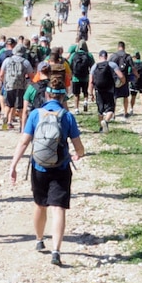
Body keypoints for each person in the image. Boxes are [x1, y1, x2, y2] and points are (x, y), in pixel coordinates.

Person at [9, 80, 85, 267]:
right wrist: (78, 155)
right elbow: (78, 147)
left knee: (39, 205)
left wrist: (13, 165)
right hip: (61, 168)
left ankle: (39, 239)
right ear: (62, 97)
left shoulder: (36, 114)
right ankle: (56, 251)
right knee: (58, 209)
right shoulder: (67, 116)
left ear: (47, 95)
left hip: (39, 167)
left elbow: (24, 142)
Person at [88, 50, 125, 133]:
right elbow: (121, 76)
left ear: (99, 56)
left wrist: (90, 93)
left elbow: (91, 81)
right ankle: (106, 121)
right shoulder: (112, 64)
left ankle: (101, 128)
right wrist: (122, 83)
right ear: (106, 56)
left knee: (100, 110)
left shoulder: (94, 66)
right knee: (110, 109)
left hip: (98, 90)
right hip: (109, 89)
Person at [0, 44, 34, 131]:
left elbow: (1, 74)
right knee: (21, 108)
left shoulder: (7, 60)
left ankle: (4, 124)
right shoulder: (25, 62)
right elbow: (32, 75)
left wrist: (2, 82)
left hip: (9, 86)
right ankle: (21, 127)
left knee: (8, 106)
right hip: (21, 87)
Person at [110, 41, 135, 118]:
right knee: (125, 96)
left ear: (118, 47)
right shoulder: (128, 56)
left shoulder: (113, 56)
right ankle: (125, 112)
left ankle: (113, 114)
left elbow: (108, 66)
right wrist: (137, 75)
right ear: (124, 47)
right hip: (124, 79)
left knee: (114, 97)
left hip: (114, 79)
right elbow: (133, 68)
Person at [69, 42, 93, 114]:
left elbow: (69, 64)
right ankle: (85, 101)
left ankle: (76, 109)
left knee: (76, 94)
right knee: (85, 92)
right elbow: (93, 66)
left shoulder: (74, 55)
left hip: (75, 78)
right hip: (85, 77)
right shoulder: (89, 55)